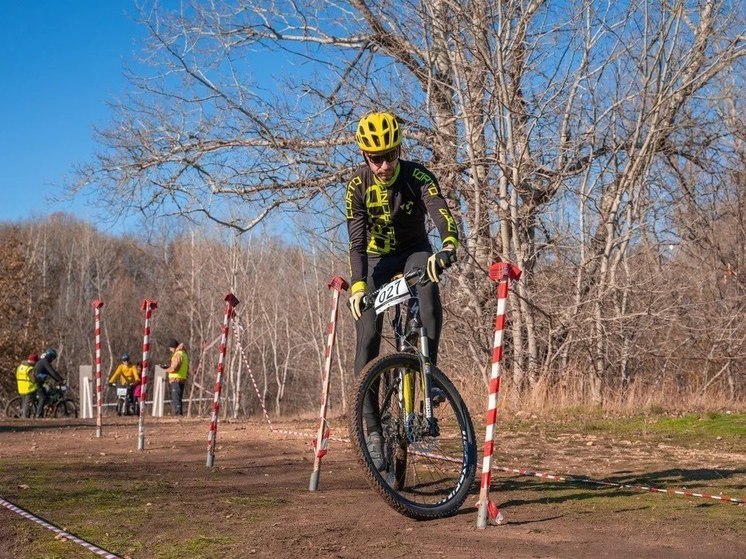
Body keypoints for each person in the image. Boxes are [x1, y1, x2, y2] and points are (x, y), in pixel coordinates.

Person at [345, 112, 460, 467]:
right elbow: (357, 242)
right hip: (378, 260)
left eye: (390, 155)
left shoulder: (418, 176)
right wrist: (358, 285)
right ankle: (373, 428)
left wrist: (448, 245)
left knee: (427, 286)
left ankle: (430, 377)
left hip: (415, 251)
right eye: (375, 158)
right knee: (367, 333)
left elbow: (440, 212)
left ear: (399, 149)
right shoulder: (356, 187)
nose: (383, 165)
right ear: (365, 157)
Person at [34, 348, 64, 418]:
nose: (52, 360)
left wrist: (59, 379)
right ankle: (38, 415)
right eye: (53, 358)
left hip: (39, 382)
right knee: (43, 397)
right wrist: (60, 380)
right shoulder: (45, 362)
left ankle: (42, 411)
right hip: (38, 382)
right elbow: (52, 372)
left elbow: (51, 373)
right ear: (50, 356)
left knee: (47, 392)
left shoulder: (43, 361)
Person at [163, 339, 188, 416]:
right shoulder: (184, 353)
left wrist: (165, 370)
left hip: (176, 379)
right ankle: (179, 414)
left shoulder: (177, 354)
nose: (170, 350)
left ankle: (178, 414)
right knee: (179, 398)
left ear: (173, 347)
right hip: (181, 378)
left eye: (170, 348)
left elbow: (174, 368)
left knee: (176, 399)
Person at [15, 353, 39, 418]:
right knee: (27, 404)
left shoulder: (20, 367)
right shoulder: (30, 368)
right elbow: (33, 379)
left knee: (24, 403)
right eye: (36, 362)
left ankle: (21, 414)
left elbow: (17, 376)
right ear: (33, 361)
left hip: (21, 388)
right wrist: (38, 379)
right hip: (29, 388)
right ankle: (24, 417)